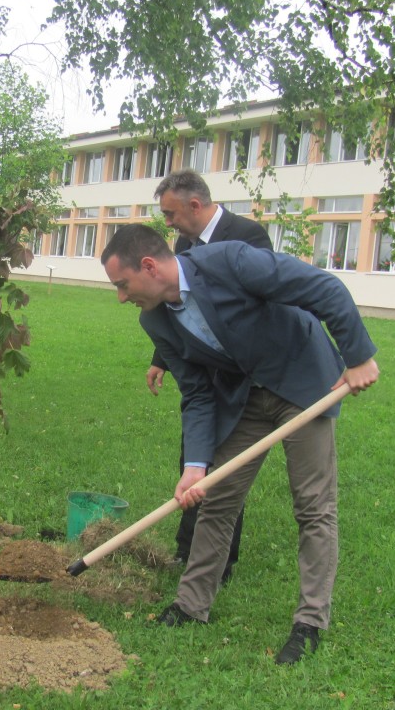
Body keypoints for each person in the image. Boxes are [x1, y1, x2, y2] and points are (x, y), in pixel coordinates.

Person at [101, 224, 378, 664]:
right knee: (216, 499)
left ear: (149, 266)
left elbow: (322, 287)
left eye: (122, 285)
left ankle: (310, 621)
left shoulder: (229, 261)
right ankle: (192, 605)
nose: (120, 297)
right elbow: (195, 393)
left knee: (313, 505)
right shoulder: (154, 319)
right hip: (245, 396)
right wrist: (195, 465)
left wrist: (358, 355)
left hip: (302, 380)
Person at [148, 169, 272, 575]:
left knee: (227, 470)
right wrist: (161, 358)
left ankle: (221, 560)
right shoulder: (184, 243)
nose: (167, 223)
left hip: (246, 375)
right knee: (195, 456)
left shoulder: (247, 236)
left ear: (194, 205)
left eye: (170, 214)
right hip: (204, 369)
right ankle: (186, 551)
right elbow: (177, 305)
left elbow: (255, 306)